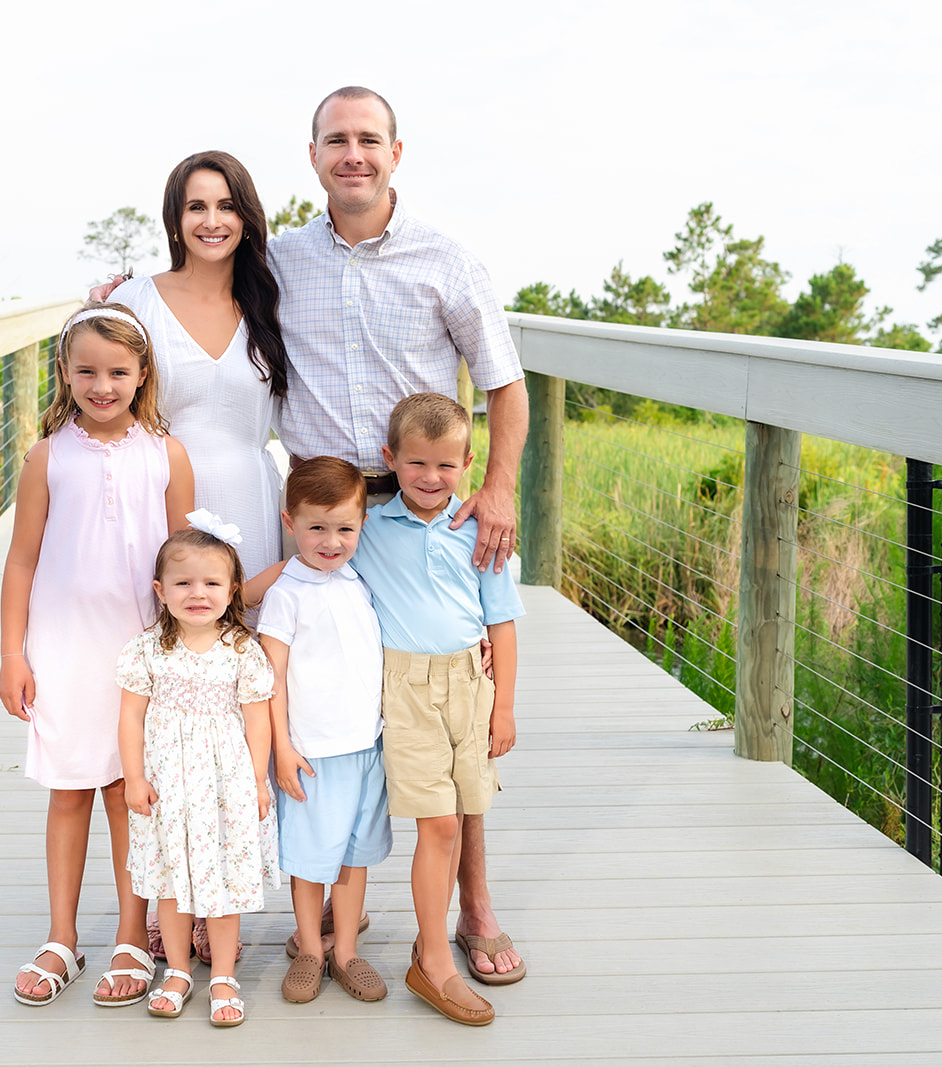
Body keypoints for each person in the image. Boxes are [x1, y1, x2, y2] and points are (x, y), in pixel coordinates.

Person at [270, 84, 529, 985]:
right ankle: (331, 908)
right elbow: (197, 297)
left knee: (453, 690)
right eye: (335, 140)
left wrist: (494, 487)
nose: (353, 155)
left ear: (396, 152)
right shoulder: (277, 260)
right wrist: (117, 298)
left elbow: (505, 382)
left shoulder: (445, 261)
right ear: (313, 156)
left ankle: (475, 907)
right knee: (326, 703)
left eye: (369, 140)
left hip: (426, 502)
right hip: (329, 515)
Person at [0, 303, 194, 1008]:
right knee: (71, 787)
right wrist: (11, 653)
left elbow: (187, 559)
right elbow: (20, 562)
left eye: (117, 371)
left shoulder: (165, 454)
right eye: (87, 370)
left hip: (139, 650)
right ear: (65, 373)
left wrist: (184, 653)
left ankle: (132, 934)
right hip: (63, 649)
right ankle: (60, 936)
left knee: (128, 792)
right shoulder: (49, 456)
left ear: (142, 374)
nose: (102, 384)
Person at [349, 394, 524, 1025]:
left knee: (459, 814)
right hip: (408, 691)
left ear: (469, 462)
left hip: (470, 691)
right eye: (417, 463)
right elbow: (307, 568)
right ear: (391, 459)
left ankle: (432, 945)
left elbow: (500, 624)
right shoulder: (367, 530)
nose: (431, 478)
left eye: (446, 466)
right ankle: (435, 962)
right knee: (440, 826)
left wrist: (502, 708)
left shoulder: (481, 530)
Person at [118, 520, 277, 1026]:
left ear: (232, 590)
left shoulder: (241, 650)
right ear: (161, 591)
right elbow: (130, 718)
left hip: (223, 786)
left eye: (211, 583)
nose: (198, 594)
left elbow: (257, 718)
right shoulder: (147, 650)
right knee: (171, 882)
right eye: (184, 583)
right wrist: (134, 778)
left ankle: (225, 975)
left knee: (221, 881)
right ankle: (179, 970)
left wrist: (256, 781)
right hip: (167, 787)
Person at [111, 150, 289, 586]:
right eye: (197, 207)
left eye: (227, 206)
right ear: (175, 220)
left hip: (249, 499)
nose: (213, 221)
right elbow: (94, 382)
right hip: (158, 500)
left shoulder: (271, 303)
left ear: (246, 218)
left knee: (246, 636)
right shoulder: (136, 301)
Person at [259, 457, 391, 1006]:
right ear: (290, 523)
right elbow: (272, 680)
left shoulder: (360, 581)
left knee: (354, 853)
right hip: (311, 751)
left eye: (344, 528)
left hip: (366, 744)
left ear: (362, 525)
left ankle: (346, 952)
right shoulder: (286, 592)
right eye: (316, 527)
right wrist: (281, 749)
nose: (331, 541)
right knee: (312, 857)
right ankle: (310, 948)